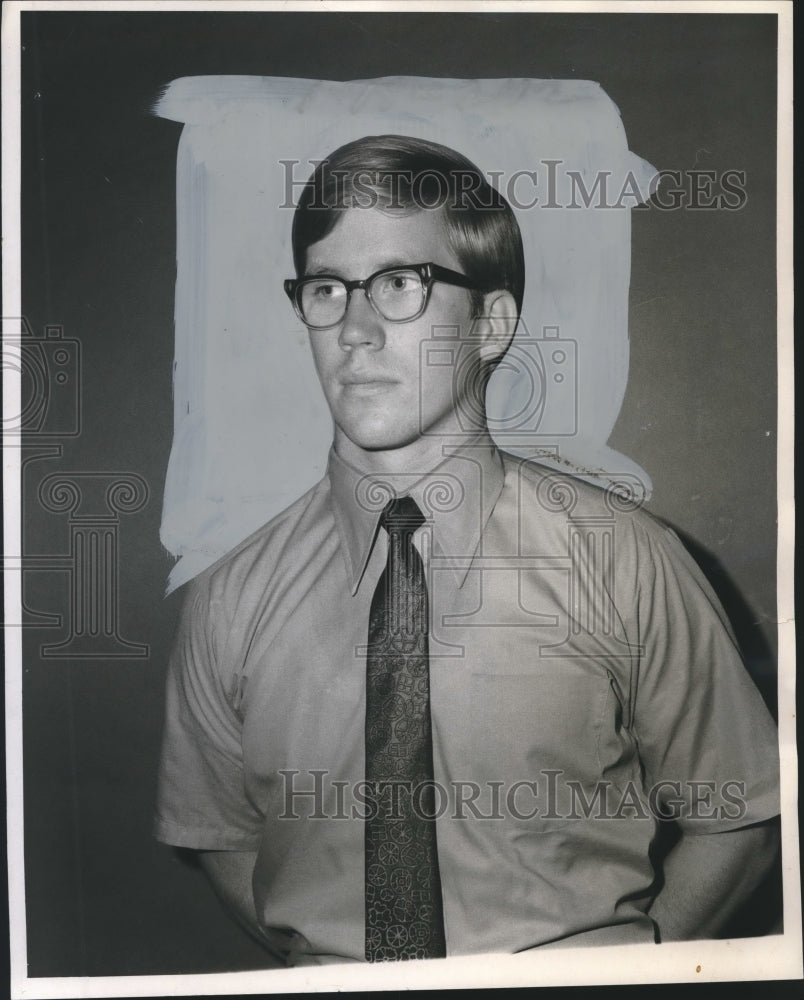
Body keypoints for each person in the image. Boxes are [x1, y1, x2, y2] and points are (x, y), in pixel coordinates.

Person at [154, 134, 780, 966]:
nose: (355, 329)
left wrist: (626, 974)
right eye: (327, 288)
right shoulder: (229, 599)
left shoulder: (629, 562)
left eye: (400, 284)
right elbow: (222, 835)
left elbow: (736, 817)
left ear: (491, 322)